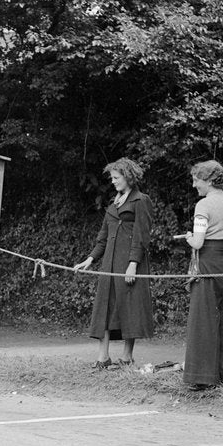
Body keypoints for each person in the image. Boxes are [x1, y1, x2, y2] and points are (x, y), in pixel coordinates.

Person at [73, 158, 155, 368]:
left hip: (129, 263)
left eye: (116, 178)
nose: (113, 181)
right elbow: (103, 238)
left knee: (130, 307)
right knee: (105, 308)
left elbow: (142, 236)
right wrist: (89, 259)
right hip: (109, 264)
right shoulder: (113, 204)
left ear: (128, 177)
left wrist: (133, 263)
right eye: (112, 178)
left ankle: (127, 357)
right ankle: (103, 357)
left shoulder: (141, 200)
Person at [180, 160, 223, 391]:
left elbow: (198, 242)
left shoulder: (203, 205)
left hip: (210, 264)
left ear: (208, 181)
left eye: (196, 180)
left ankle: (202, 378)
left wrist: (189, 237)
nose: (194, 185)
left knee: (203, 318)